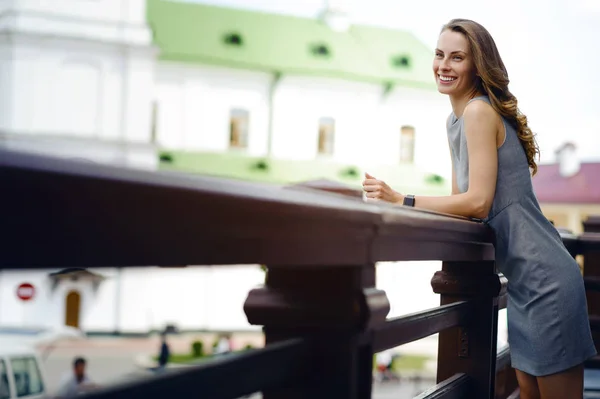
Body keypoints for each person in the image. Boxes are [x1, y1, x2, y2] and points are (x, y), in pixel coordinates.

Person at [362, 19, 596, 399]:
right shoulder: (455, 120)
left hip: (547, 282)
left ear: (477, 65)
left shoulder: (478, 112)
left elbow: (478, 202)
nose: (444, 65)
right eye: (439, 55)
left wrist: (401, 199)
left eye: (457, 57)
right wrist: (405, 204)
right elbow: (463, 208)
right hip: (522, 285)